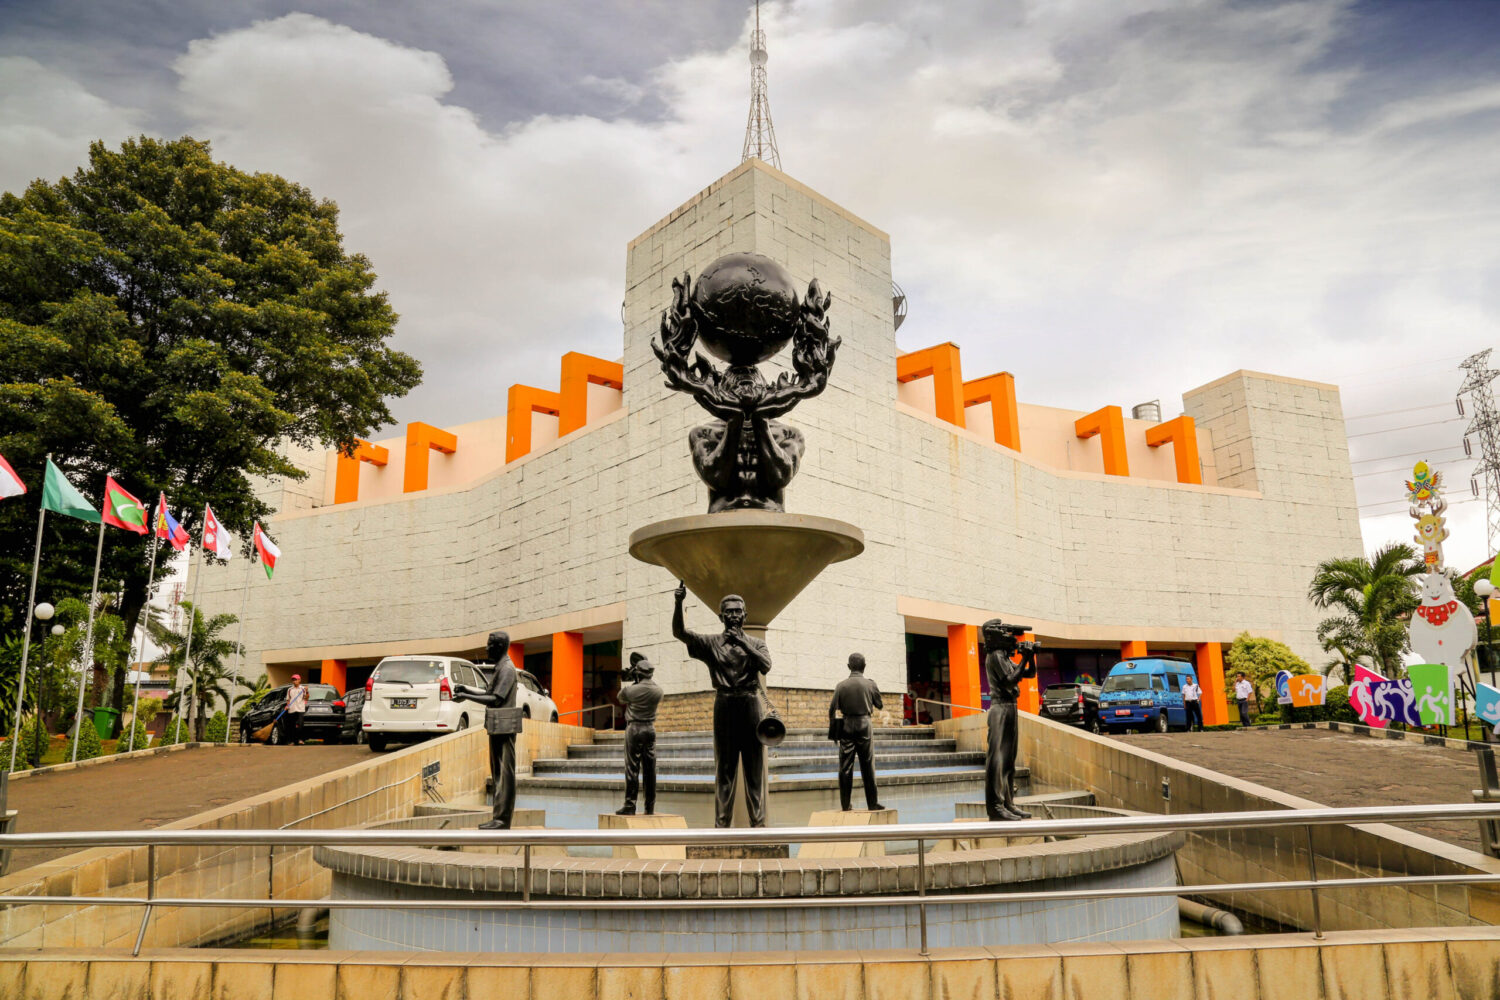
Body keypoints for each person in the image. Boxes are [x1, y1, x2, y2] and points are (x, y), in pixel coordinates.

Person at [671, 581, 772, 827]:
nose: (734, 615)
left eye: (738, 611)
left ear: (745, 615)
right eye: (729, 611)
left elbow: (766, 665)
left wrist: (743, 643)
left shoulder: (755, 644)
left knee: (754, 771)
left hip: (750, 705)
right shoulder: (711, 643)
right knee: (724, 772)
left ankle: (758, 826)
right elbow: (680, 634)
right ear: (721, 616)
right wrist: (678, 603)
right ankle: (721, 827)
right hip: (724, 706)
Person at [453, 631, 520, 829]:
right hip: (497, 725)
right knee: (499, 772)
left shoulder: (507, 668)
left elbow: (495, 699)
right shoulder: (501, 667)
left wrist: (467, 696)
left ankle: (502, 819)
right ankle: (498, 817)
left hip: (504, 727)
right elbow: (489, 694)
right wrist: (466, 691)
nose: (486, 648)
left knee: (505, 774)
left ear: (499, 647)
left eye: (490, 644)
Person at [982, 619, 1039, 822]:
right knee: (997, 759)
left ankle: (1008, 803)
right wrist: (1024, 658)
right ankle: (996, 807)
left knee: (1008, 760)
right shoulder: (995, 655)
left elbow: (1029, 673)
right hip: (1000, 708)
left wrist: (1029, 657)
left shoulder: (1004, 656)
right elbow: (1010, 680)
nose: (1012, 637)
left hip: (1010, 708)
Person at [828, 653, 884, 812]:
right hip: (864, 724)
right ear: (864, 666)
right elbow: (879, 704)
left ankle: (845, 805)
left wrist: (834, 732)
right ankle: (872, 804)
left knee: (845, 767)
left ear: (848, 666)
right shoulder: (870, 684)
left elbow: (831, 710)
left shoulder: (841, 685)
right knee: (868, 765)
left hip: (846, 725)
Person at [616, 652, 663, 816]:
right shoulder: (658, 691)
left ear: (638, 673)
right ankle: (649, 807)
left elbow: (620, 697)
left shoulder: (632, 690)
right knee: (650, 770)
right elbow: (650, 686)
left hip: (634, 729)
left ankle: (630, 805)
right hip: (650, 729)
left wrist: (633, 678)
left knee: (632, 768)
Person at [282, 674, 308, 745]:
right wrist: (287, 705)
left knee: (300, 725)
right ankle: (293, 741)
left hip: (300, 709)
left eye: (296, 679)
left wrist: (307, 691)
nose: (294, 681)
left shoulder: (303, 689)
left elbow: (306, 698)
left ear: (299, 680)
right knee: (292, 727)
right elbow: (288, 699)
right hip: (292, 709)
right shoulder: (290, 689)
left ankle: (300, 739)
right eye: (293, 680)